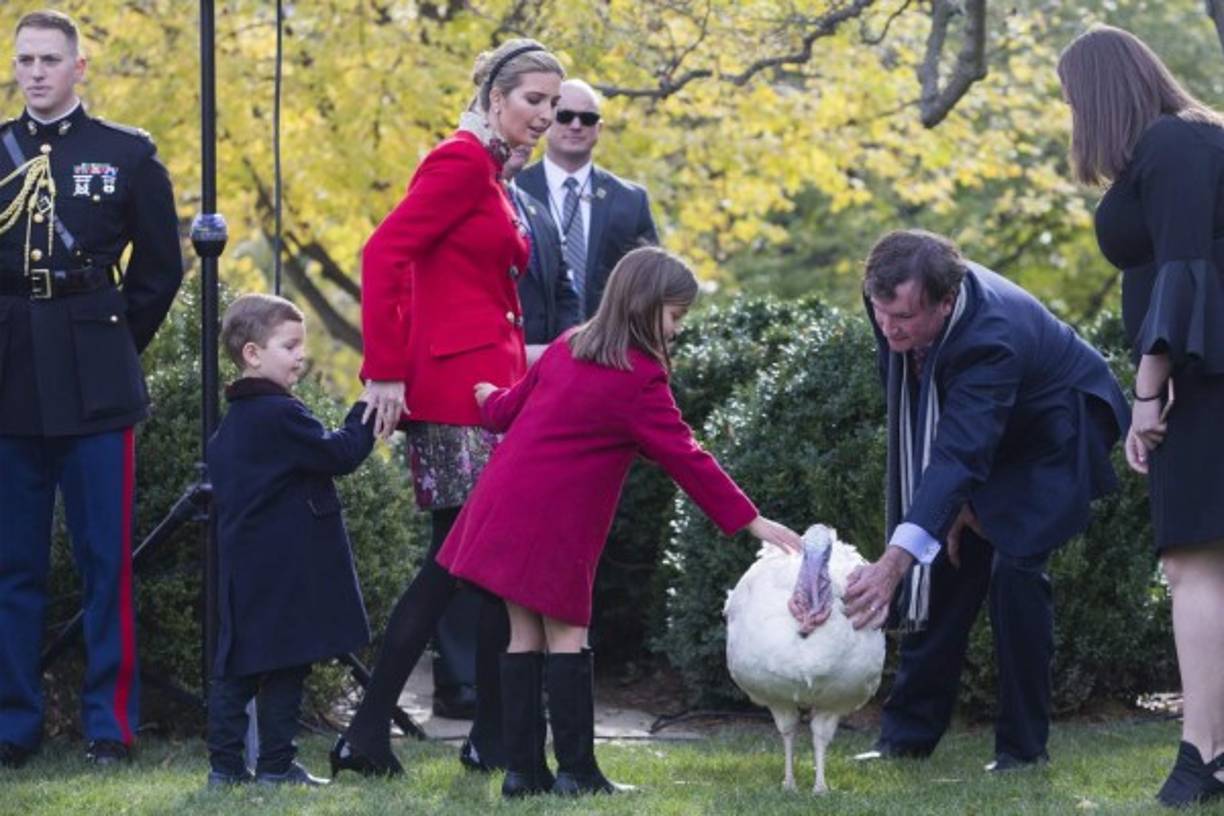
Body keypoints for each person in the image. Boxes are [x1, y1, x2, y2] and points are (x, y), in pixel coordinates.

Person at [437, 246, 803, 798]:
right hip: (557, 521)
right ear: (645, 305)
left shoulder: (567, 345)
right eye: (675, 315)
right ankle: (577, 774)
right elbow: (687, 456)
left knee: (523, 634)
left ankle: (523, 774)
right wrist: (750, 519)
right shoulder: (640, 377)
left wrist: (487, 397)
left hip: (504, 504)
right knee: (567, 634)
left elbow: (508, 410)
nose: (677, 329)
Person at [332, 39, 565, 778]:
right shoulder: (460, 162)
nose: (546, 116)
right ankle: (371, 733)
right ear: (495, 99)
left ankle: (486, 737)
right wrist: (384, 370)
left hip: (487, 393)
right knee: (453, 565)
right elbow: (383, 254)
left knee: (482, 568)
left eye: (553, 104)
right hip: (455, 395)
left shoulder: (490, 172)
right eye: (533, 100)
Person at [840, 230, 1128, 773]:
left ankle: (1022, 751)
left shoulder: (990, 338)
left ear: (947, 301)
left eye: (904, 317)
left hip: (1053, 427)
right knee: (941, 559)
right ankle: (905, 739)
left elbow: (960, 453)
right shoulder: (887, 294)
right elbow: (922, 404)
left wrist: (893, 563)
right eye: (881, 312)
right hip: (986, 422)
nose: (888, 326)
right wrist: (945, 508)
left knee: (1015, 570)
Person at [0, 10, 183, 769]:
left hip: (95, 379)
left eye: (50, 60)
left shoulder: (126, 153)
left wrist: (110, 346)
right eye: (25, 60)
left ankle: (110, 725)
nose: (36, 73)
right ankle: (13, 724)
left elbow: (161, 269)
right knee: (12, 565)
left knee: (105, 561)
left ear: (79, 68)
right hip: (9, 371)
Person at [1058, 25, 1224, 808]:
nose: (1072, 116)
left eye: (1072, 99)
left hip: (1203, 380)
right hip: (1198, 373)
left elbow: (1184, 270)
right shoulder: (1182, 142)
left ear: (1099, 92)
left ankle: (1203, 753)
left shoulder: (1174, 142)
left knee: (1194, 565)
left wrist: (1148, 394)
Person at [205, 294, 375, 787]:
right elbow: (338, 454)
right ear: (253, 354)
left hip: (245, 567)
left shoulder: (233, 423)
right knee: (287, 666)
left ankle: (226, 768)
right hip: (285, 568)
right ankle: (276, 766)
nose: (301, 355)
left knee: (238, 667)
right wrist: (367, 409)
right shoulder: (279, 414)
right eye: (290, 346)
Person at [516, 79, 659, 318]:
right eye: (564, 116)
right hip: (528, 337)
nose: (576, 125)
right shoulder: (513, 188)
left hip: (607, 337)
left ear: (599, 128)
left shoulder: (631, 201)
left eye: (588, 118)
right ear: (546, 120)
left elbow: (652, 280)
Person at [504, 144, 581, 359]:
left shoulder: (538, 210)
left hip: (544, 367)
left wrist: (562, 351)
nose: (520, 141)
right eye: (511, 132)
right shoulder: (467, 204)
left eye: (528, 132)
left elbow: (563, 291)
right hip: (490, 362)